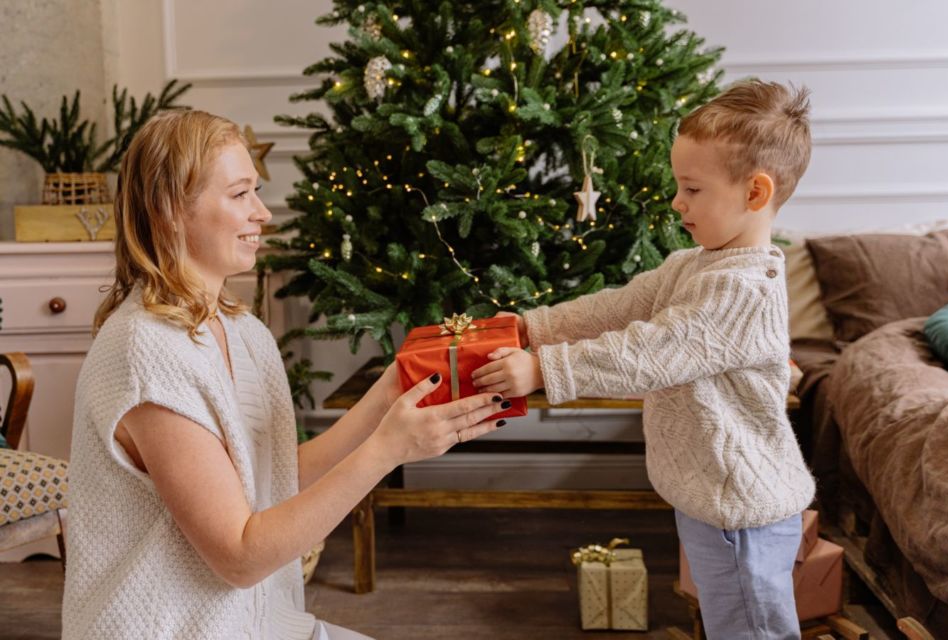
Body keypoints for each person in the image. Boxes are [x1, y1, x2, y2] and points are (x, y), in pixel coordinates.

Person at [61, 109, 508, 640]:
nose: (263, 213)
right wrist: (387, 450)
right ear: (168, 211)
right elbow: (241, 558)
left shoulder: (240, 329)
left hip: (249, 624)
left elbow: (272, 476)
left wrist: (387, 392)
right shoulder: (146, 353)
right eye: (239, 194)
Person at [472, 79, 817, 639]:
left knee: (752, 629)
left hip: (743, 514)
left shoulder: (744, 289)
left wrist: (543, 370)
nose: (678, 202)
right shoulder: (692, 264)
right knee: (728, 621)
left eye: (693, 189)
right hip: (710, 499)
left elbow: (651, 352)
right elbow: (618, 308)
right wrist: (533, 326)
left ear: (755, 193)